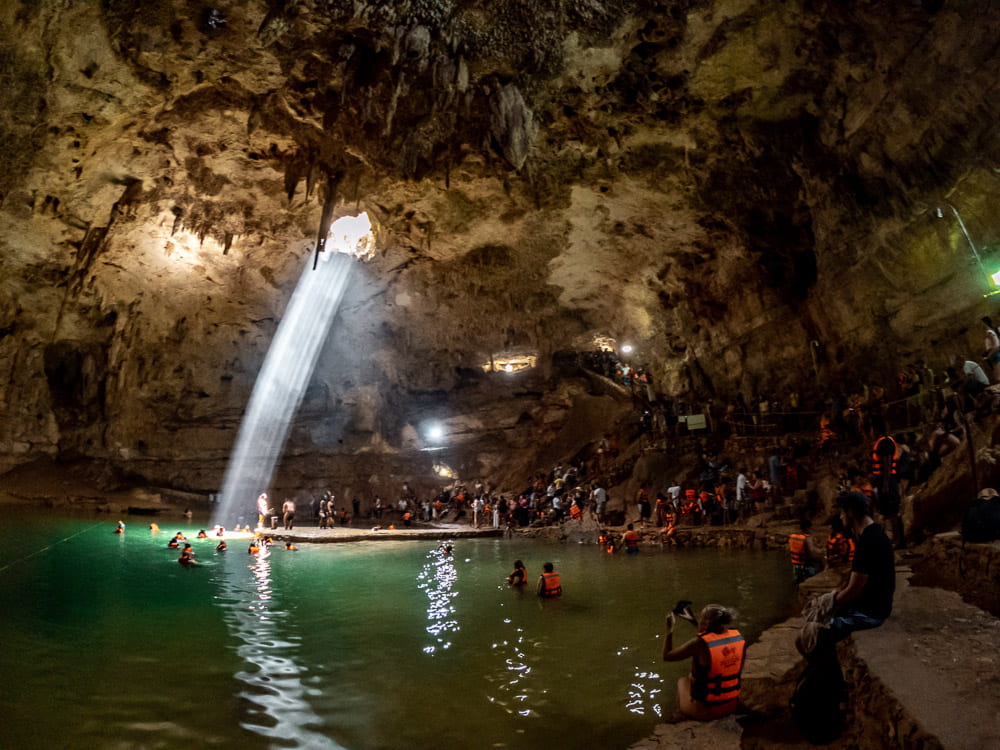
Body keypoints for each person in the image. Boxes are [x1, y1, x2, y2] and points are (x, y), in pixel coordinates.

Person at [816, 491, 896, 651]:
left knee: (817, 632)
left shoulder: (867, 542)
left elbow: (853, 589)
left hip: (870, 614)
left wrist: (829, 602)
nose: (840, 517)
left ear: (851, 512)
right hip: (877, 607)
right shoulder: (875, 533)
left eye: (842, 512)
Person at [662, 604, 746, 720]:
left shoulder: (699, 644)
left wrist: (669, 630)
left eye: (702, 617)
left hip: (707, 712)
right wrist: (692, 621)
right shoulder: (738, 637)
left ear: (706, 623)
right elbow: (710, 637)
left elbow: (668, 656)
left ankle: (680, 715)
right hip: (731, 705)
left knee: (683, 681)